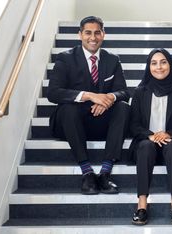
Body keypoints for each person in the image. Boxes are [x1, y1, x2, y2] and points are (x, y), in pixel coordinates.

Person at [47, 16, 130, 195]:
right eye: (88, 33)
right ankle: (87, 173)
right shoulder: (65, 58)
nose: (93, 37)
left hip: (100, 122)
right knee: (67, 108)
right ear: (80, 35)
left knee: (123, 106)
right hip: (72, 123)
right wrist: (89, 96)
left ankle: (105, 173)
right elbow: (53, 93)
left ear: (103, 35)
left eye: (97, 33)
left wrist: (107, 99)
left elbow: (124, 91)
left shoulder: (112, 60)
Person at [129, 48, 172, 225]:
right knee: (146, 146)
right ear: (149, 67)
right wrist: (150, 136)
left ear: (170, 64)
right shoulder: (140, 92)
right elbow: (133, 125)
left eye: (163, 62)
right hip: (146, 142)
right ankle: (142, 205)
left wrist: (168, 134)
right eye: (154, 63)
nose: (159, 67)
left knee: (171, 147)